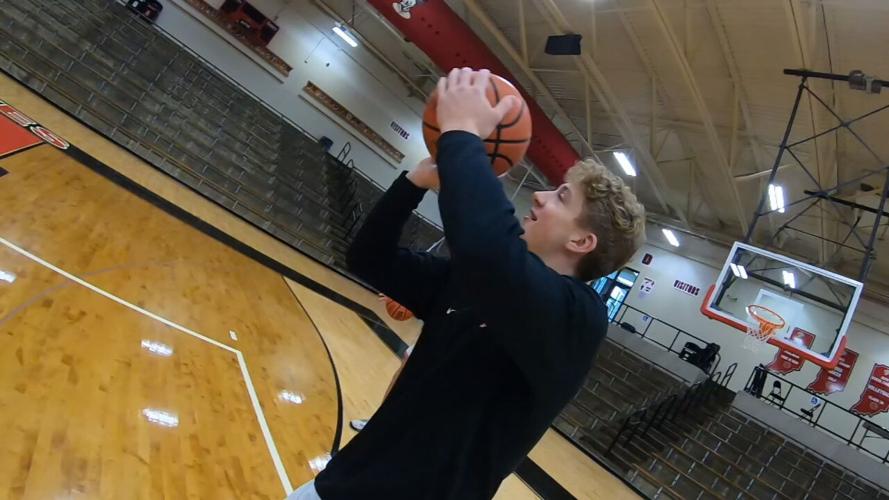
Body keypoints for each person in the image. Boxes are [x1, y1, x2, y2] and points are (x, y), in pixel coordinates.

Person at [288, 68, 645, 499]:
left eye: (561, 197)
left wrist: (463, 133)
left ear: (580, 241)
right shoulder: (479, 281)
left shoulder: (577, 318)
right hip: (343, 482)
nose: (538, 197)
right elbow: (368, 258)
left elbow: (487, 246)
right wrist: (413, 182)